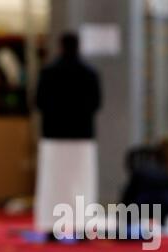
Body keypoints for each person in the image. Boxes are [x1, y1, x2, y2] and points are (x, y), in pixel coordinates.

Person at [35, 32, 102, 238]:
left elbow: (39, 102)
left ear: (60, 47)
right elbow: (96, 103)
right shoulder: (90, 73)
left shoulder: (48, 72)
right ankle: (82, 227)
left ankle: (51, 225)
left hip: (54, 136)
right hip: (82, 136)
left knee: (54, 183)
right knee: (82, 183)